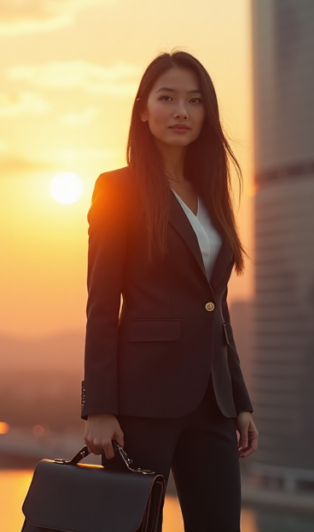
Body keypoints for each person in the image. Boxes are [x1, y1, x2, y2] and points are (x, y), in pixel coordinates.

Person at [81, 51, 259, 531]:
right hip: (142, 399)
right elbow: (101, 305)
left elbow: (215, 307)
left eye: (194, 100)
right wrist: (99, 407)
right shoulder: (118, 189)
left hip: (213, 402)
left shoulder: (212, 192)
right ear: (143, 109)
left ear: (207, 113)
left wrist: (239, 401)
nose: (182, 111)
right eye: (168, 98)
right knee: (134, 527)